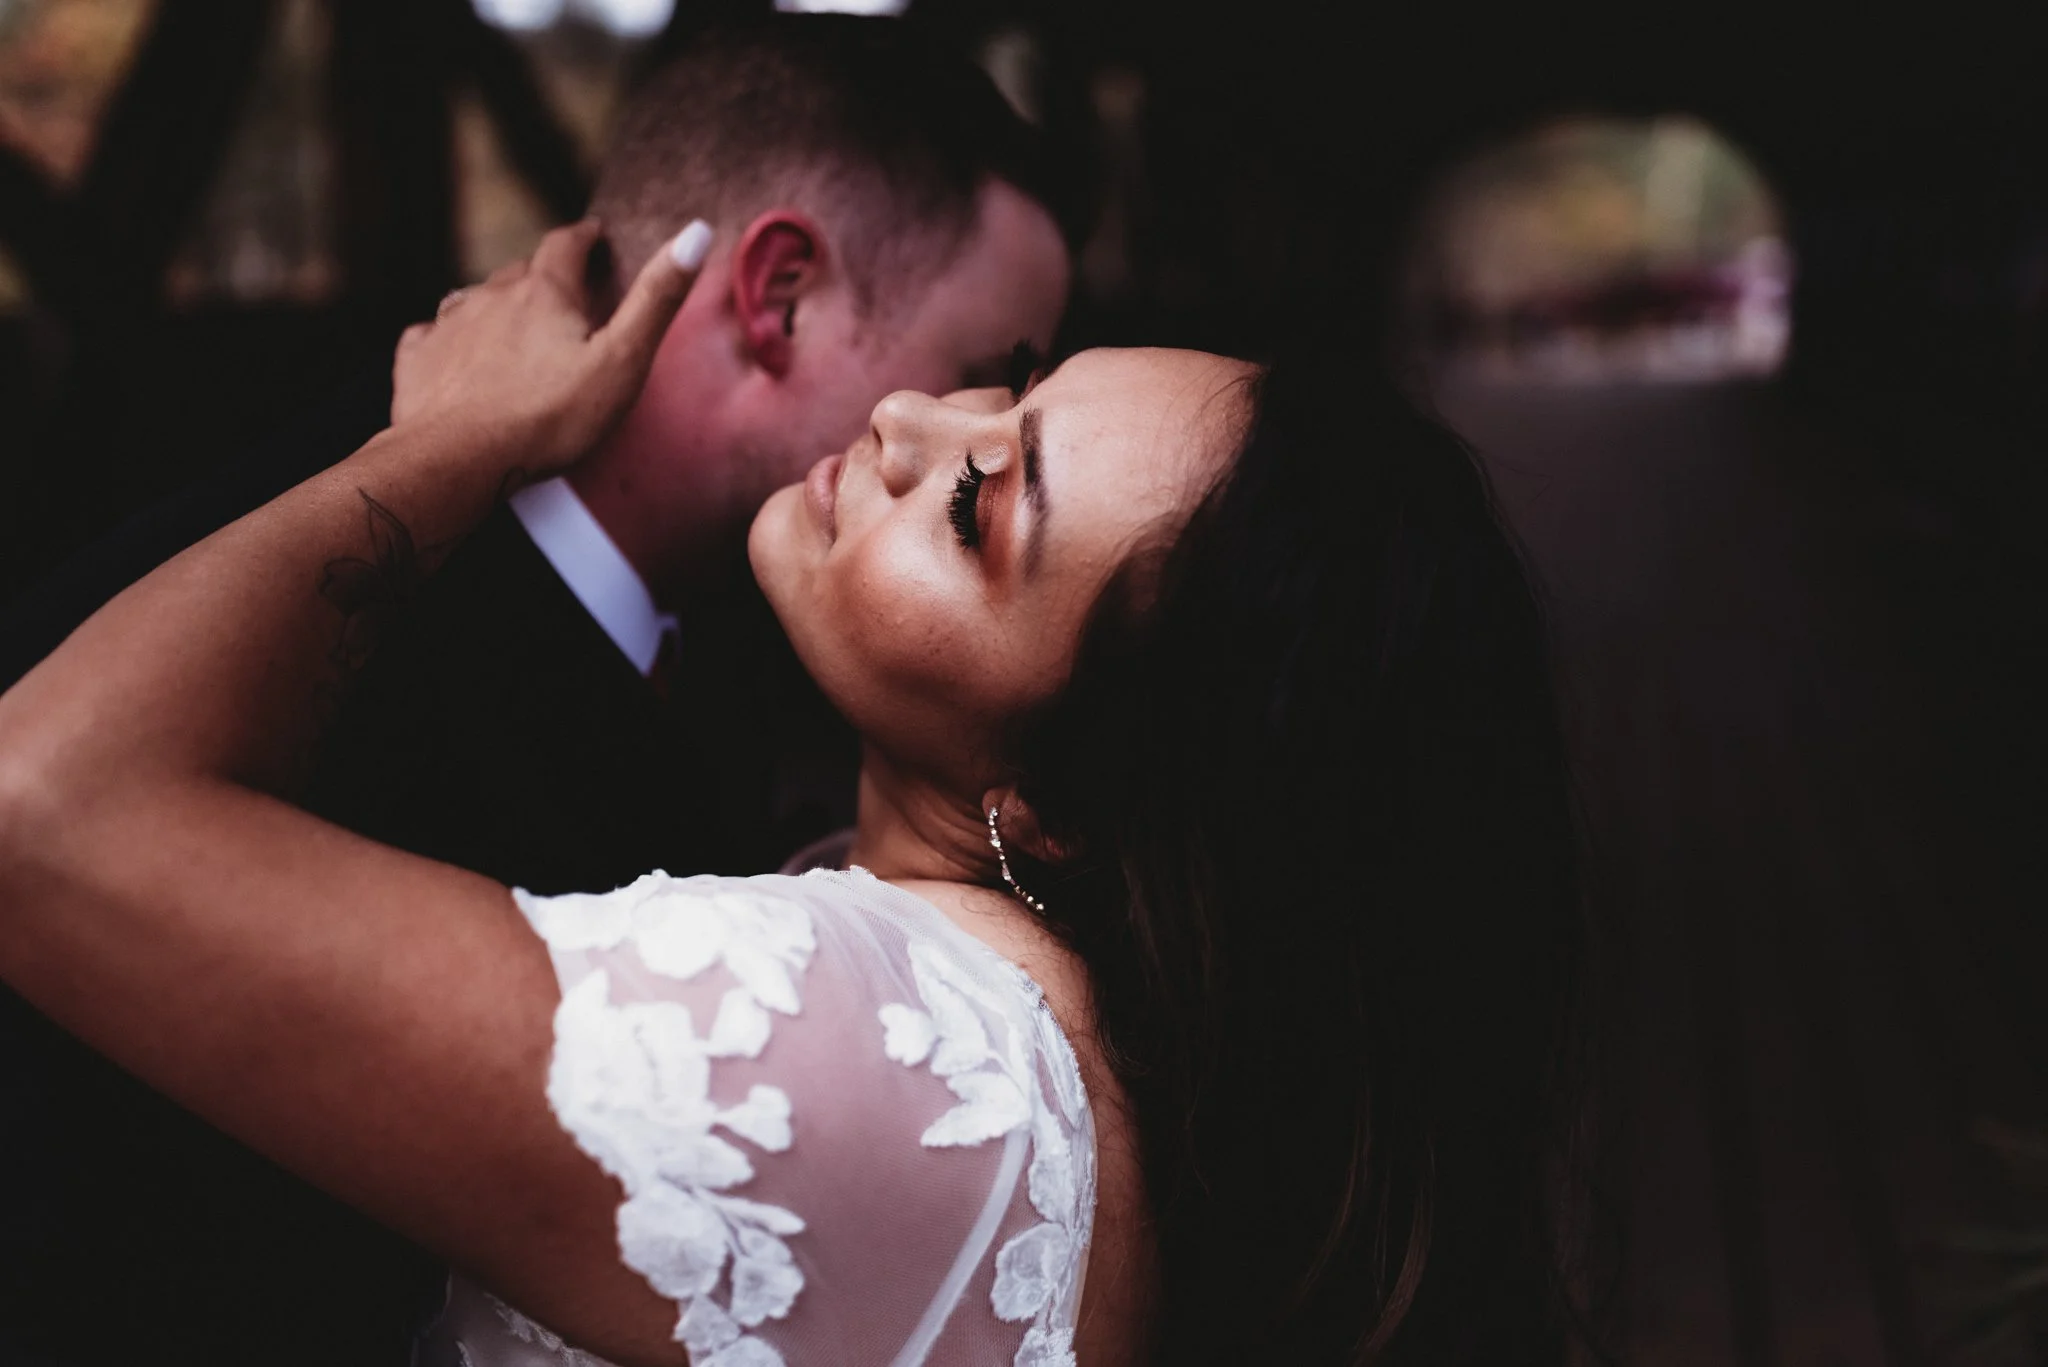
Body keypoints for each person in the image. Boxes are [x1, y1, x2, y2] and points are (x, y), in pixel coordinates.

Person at [0, 210, 1588, 1365]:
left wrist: (449, 441)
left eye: (978, 505)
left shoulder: (881, 1048)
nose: (906, 421)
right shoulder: (1091, 1054)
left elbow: (43, 806)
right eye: (1007, 389)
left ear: (1066, 806)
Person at [0, 17, 1077, 1366]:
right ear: (781, 294)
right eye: (984, 362)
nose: (949, 426)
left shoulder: (765, 648)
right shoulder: (251, 620)